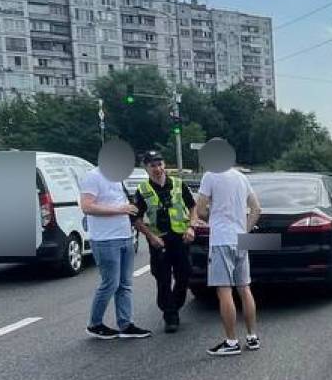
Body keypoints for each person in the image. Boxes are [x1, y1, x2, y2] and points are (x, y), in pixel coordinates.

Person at [195, 160, 262, 356]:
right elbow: (256, 209)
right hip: (240, 239)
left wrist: (214, 220)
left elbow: (200, 209)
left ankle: (231, 341)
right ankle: (252, 337)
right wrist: (244, 231)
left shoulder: (210, 176)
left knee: (224, 290)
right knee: (245, 288)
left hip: (221, 240)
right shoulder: (241, 178)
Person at [79, 162, 151, 339]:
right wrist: (120, 209)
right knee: (110, 283)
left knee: (125, 284)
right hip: (105, 239)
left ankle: (126, 325)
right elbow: (87, 206)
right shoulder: (93, 176)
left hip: (124, 235)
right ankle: (95, 324)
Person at [130, 150, 197, 333]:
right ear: (146, 168)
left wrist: (191, 227)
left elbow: (192, 207)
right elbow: (136, 219)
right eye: (152, 165)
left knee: (185, 275)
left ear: (164, 164)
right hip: (159, 241)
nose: (157, 169)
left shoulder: (178, 184)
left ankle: (174, 305)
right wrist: (151, 237)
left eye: (159, 164)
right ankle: (170, 316)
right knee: (163, 278)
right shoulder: (142, 190)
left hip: (181, 238)